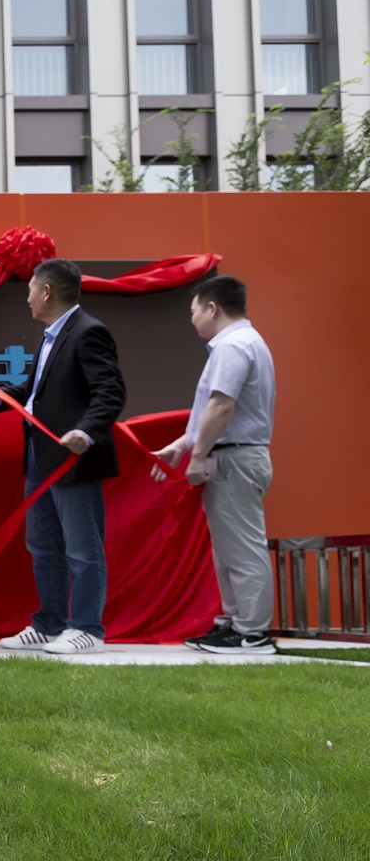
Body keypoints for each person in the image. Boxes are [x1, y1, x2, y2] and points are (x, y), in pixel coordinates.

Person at [0, 257, 127, 655]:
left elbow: (111, 391)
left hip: (72, 459)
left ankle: (87, 629)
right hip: (41, 457)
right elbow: (35, 392)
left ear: (47, 291)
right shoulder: (53, 335)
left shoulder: (88, 332)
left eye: (31, 290)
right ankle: (49, 624)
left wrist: (86, 431)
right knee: (43, 545)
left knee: (82, 548)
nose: (28, 298)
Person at [151, 276, 278, 655]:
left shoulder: (232, 346)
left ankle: (252, 632)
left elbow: (222, 406)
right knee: (230, 549)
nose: (192, 320)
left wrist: (198, 456)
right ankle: (236, 625)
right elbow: (219, 408)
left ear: (212, 308)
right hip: (236, 455)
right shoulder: (245, 343)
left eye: (193, 311)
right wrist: (183, 445)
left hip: (234, 458)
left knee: (242, 549)